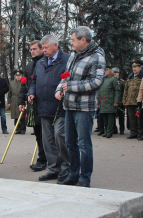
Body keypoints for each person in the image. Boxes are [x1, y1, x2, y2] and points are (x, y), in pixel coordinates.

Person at [55, 26, 106, 188]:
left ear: (83, 40)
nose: (71, 43)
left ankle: (85, 178)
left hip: (84, 108)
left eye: (73, 40)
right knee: (70, 142)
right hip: (69, 105)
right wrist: (59, 89)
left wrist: (70, 86)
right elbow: (65, 76)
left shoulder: (97, 57)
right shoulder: (74, 56)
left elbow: (96, 82)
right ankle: (74, 173)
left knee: (84, 144)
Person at [28, 35, 70, 182]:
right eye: (43, 48)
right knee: (47, 139)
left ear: (55, 45)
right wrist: (31, 93)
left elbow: (69, 79)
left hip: (61, 105)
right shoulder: (40, 63)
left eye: (46, 48)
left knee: (60, 135)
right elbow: (34, 81)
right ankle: (53, 168)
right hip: (43, 105)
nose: (44, 51)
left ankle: (66, 167)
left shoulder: (67, 60)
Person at [18, 40, 47, 171]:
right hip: (33, 104)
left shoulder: (47, 62)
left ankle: (53, 160)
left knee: (50, 134)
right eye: (31, 49)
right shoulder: (29, 66)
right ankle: (42, 160)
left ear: (42, 49)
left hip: (47, 103)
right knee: (38, 133)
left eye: (35, 49)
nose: (32, 51)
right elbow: (24, 86)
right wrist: (20, 101)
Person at [97, 67, 121, 138]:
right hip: (103, 102)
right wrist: (99, 102)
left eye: (106, 71)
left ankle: (109, 132)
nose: (104, 72)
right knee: (104, 117)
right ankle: (107, 130)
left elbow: (117, 91)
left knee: (110, 117)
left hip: (110, 101)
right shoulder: (103, 80)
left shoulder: (114, 79)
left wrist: (116, 101)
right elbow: (100, 92)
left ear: (109, 72)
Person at [123, 58, 143, 139]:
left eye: (136, 67)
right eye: (133, 67)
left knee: (139, 118)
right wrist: (124, 100)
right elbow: (126, 89)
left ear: (140, 68)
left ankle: (140, 133)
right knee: (131, 118)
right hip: (130, 101)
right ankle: (133, 132)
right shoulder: (130, 77)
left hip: (138, 101)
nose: (134, 68)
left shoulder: (142, 77)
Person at [8, 70, 26, 134]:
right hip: (14, 100)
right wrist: (9, 101)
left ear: (21, 76)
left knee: (22, 115)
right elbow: (9, 93)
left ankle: (23, 129)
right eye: (17, 76)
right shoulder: (11, 83)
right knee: (15, 115)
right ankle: (17, 129)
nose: (18, 77)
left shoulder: (24, 82)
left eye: (19, 76)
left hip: (21, 99)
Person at [112, 67, 125, 135]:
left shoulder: (121, 82)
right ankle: (114, 129)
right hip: (112, 101)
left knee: (121, 116)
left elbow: (124, 92)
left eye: (116, 72)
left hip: (120, 101)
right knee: (112, 116)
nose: (114, 74)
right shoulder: (111, 80)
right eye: (113, 72)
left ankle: (122, 129)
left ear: (118, 73)